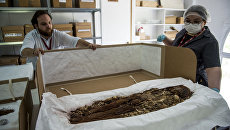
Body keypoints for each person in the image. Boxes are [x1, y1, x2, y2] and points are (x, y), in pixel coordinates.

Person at [157, 5, 221, 92]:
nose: (191, 24)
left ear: (204, 22)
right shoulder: (184, 32)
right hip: (177, 75)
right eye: (188, 21)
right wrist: (165, 39)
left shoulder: (210, 42)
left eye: (196, 21)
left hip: (194, 81)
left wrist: (214, 87)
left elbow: (213, 68)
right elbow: (176, 47)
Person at [20, 10, 98, 57]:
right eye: (44, 24)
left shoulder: (57, 34)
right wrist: (34, 52)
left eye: (50, 22)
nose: (49, 26)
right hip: (37, 71)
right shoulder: (31, 36)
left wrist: (89, 45)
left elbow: (75, 41)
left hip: (56, 71)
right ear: (36, 26)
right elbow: (24, 51)